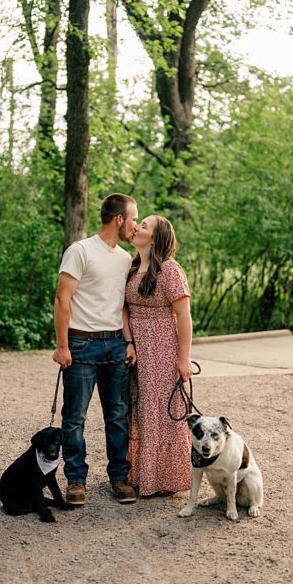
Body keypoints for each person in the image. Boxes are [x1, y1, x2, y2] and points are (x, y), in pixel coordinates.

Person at [52, 193, 138, 506]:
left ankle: (119, 476)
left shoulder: (125, 259)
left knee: (117, 415)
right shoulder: (80, 251)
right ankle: (76, 479)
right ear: (119, 219)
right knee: (74, 417)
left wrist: (128, 342)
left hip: (115, 344)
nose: (135, 225)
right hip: (81, 344)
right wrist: (62, 346)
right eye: (133, 219)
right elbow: (63, 299)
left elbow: (124, 305)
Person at [123, 215, 193, 496]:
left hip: (163, 347)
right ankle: (140, 475)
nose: (137, 227)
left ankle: (165, 479)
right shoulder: (131, 268)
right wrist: (129, 342)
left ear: (154, 238)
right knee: (138, 409)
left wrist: (183, 358)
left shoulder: (171, 271)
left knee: (161, 412)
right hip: (137, 347)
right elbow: (124, 310)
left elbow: (184, 315)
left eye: (144, 225)